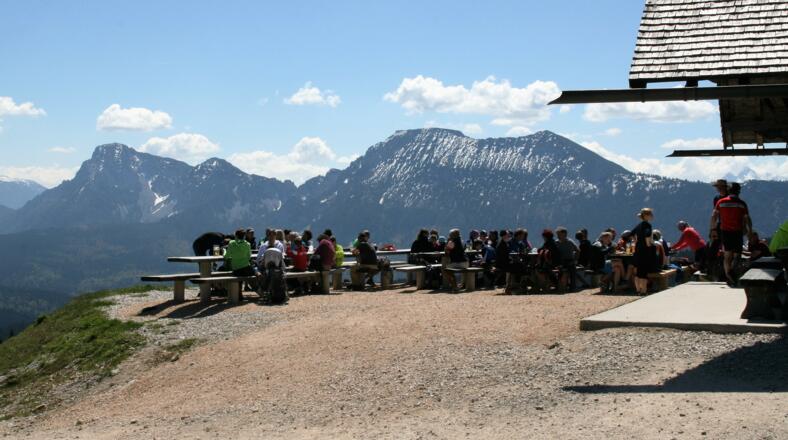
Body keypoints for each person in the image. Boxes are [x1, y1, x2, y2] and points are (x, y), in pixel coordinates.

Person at [710, 182, 751, 285]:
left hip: (725, 232)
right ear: (738, 191)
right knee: (737, 255)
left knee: (727, 255)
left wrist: (713, 229)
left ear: (729, 190)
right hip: (738, 232)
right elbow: (747, 219)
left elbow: (714, 216)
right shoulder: (742, 203)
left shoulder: (721, 202)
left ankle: (729, 276)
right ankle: (732, 272)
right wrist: (749, 230)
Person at [223, 228, 256, 298]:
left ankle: (239, 295)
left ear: (236, 236)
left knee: (238, 276)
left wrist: (224, 251)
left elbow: (226, 257)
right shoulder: (247, 244)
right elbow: (249, 257)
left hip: (236, 269)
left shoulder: (231, 243)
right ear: (244, 236)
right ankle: (261, 292)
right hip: (247, 268)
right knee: (253, 273)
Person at [555, 227, 579, 292]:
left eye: (559, 234)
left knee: (572, 272)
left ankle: (572, 287)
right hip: (561, 261)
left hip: (570, 260)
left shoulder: (570, 242)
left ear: (565, 234)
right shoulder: (556, 242)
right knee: (559, 271)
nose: (558, 236)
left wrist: (575, 260)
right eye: (557, 235)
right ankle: (560, 286)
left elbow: (577, 250)